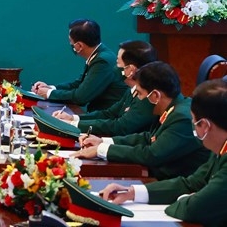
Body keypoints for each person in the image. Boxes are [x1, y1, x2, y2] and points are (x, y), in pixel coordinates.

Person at [100, 79, 227, 227]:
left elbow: (193, 209)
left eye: (195, 122)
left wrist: (185, 199)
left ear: (205, 125)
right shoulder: (220, 147)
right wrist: (132, 192)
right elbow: (192, 183)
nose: (193, 128)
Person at [72, 61, 210, 180]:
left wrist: (102, 150)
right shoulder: (174, 107)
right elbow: (148, 138)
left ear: (155, 95)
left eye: (139, 93)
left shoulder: (182, 118)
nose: (138, 98)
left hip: (173, 184)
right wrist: (103, 141)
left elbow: (151, 154)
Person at [53, 40, 158, 136]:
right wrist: (73, 118)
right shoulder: (132, 90)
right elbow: (109, 114)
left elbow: (119, 127)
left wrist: (73, 124)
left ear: (130, 69)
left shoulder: (148, 98)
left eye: (118, 63)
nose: (115, 67)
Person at [31, 19, 127, 111]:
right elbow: (78, 84)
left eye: (70, 41)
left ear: (79, 46)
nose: (70, 44)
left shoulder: (102, 61)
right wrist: (50, 88)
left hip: (105, 118)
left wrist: (48, 93)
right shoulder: (98, 54)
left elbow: (80, 97)